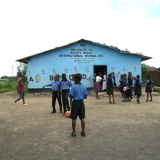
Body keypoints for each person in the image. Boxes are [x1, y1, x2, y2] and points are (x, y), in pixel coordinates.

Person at [69, 73, 88, 137]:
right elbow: (85, 96)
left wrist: (73, 97)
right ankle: (83, 132)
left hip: (75, 102)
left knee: (74, 118)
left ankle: (74, 132)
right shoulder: (83, 86)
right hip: (81, 102)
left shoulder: (73, 87)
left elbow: (70, 95)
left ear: (76, 79)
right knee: (82, 118)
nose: (73, 79)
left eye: (74, 78)